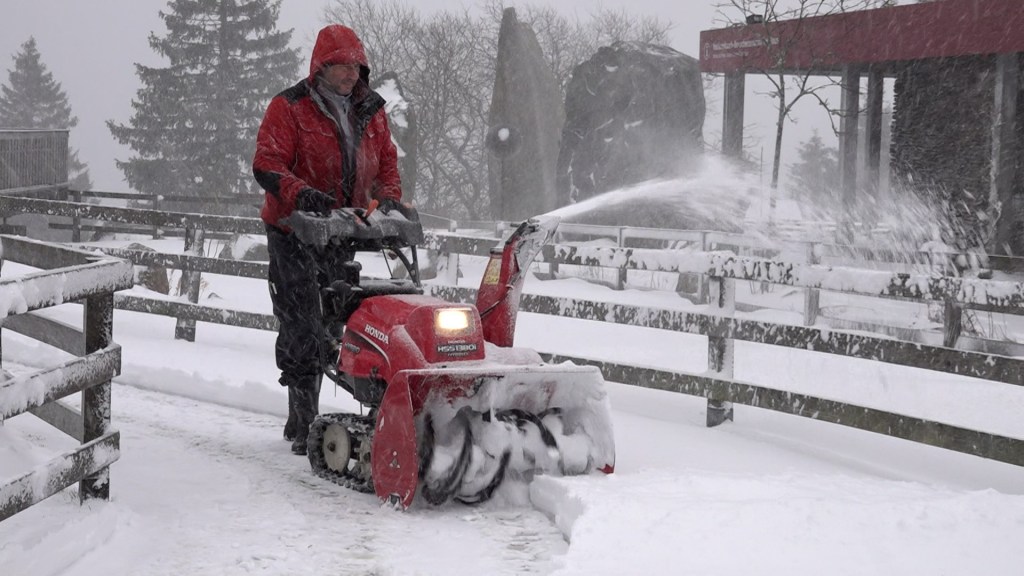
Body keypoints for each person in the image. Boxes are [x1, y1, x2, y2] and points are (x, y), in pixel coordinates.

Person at [252, 24, 403, 455]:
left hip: (342, 231)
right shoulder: (290, 107)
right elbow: (267, 163)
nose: (351, 74)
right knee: (302, 321)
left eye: (357, 67)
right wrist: (302, 194)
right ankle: (303, 419)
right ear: (321, 66)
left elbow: (387, 164)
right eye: (341, 66)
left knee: (343, 316)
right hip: (293, 230)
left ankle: (370, 408)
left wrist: (389, 199)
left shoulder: (371, 110)